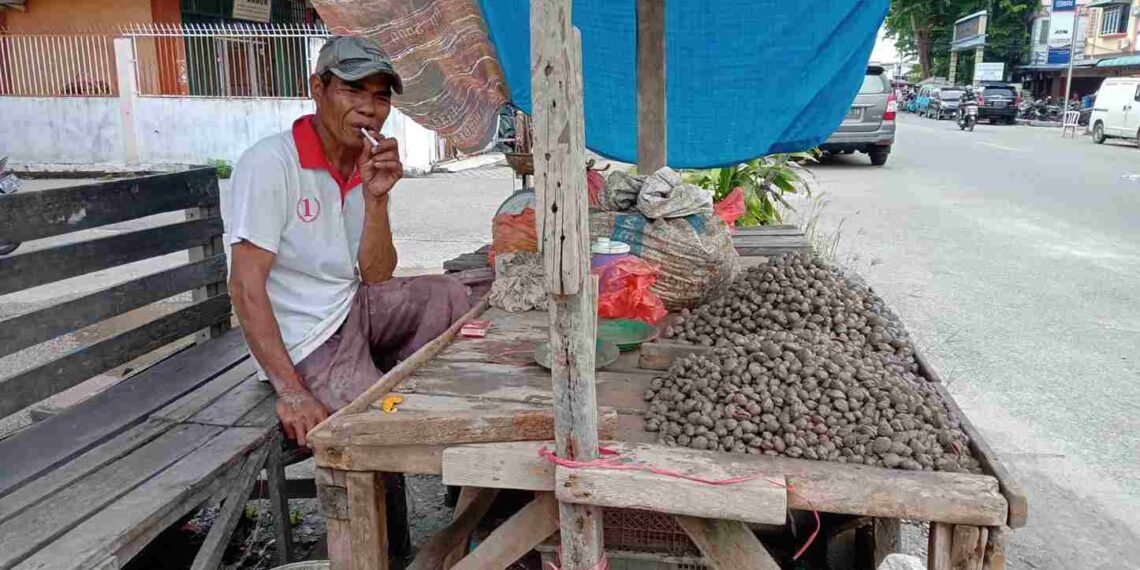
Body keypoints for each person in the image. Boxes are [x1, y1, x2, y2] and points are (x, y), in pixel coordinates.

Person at [222, 36, 471, 448]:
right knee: (380, 424)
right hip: (306, 339)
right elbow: (244, 286)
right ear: (316, 89)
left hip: (351, 307)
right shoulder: (270, 163)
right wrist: (292, 392)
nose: (369, 108)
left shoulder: (365, 164)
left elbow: (377, 275)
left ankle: (417, 395)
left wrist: (376, 199)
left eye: (380, 96)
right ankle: (388, 495)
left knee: (450, 294)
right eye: (353, 90)